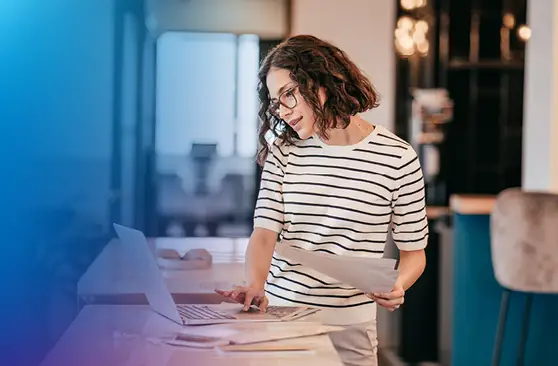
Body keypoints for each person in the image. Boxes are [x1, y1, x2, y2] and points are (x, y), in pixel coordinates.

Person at [216, 34, 428, 366]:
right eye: (275, 101)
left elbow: (414, 253)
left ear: (321, 83)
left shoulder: (397, 157)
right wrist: (254, 285)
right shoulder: (284, 153)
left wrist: (398, 284)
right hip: (284, 319)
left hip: (352, 329)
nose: (282, 111)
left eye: (288, 95)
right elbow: (264, 234)